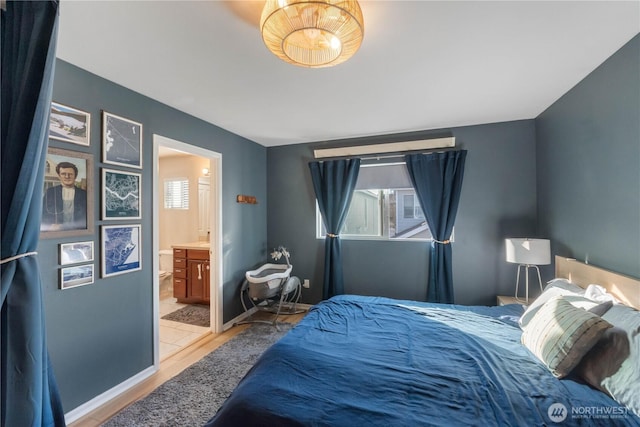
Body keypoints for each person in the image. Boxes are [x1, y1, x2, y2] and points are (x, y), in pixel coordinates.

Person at [42, 161, 87, 231]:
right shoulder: (51, 192)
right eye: (63, 174)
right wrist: (49, 225)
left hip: (77, 229)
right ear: (59, 176)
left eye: (70, 174)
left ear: (75, 176)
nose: (67, 176)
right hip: (57, 230)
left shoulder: (83, 194)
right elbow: (43, 212)